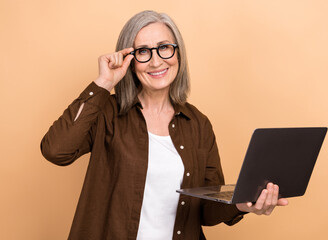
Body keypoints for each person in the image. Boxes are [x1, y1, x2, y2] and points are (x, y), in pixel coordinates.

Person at [41, 10, 288, 240]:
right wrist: (104, 83)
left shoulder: (198, 124)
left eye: (164, 48)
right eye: (143, 52)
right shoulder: (107, 112)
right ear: (129, 59)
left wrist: (243, 204)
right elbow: (56, 150)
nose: (156, 61)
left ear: (178, 53)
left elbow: (205, 210)